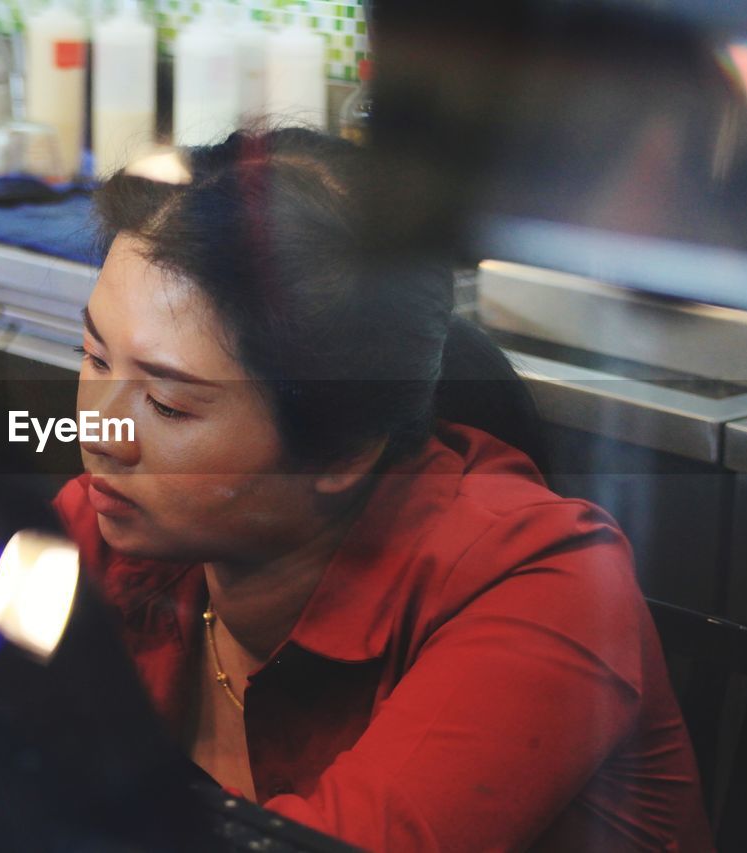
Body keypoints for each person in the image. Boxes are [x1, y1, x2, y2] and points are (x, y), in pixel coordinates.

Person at [52, 128, 713, 852]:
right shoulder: (111, 523)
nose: (100, 432)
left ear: (341, 449)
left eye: (170, 404)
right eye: (93, 355)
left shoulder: (548, 585)